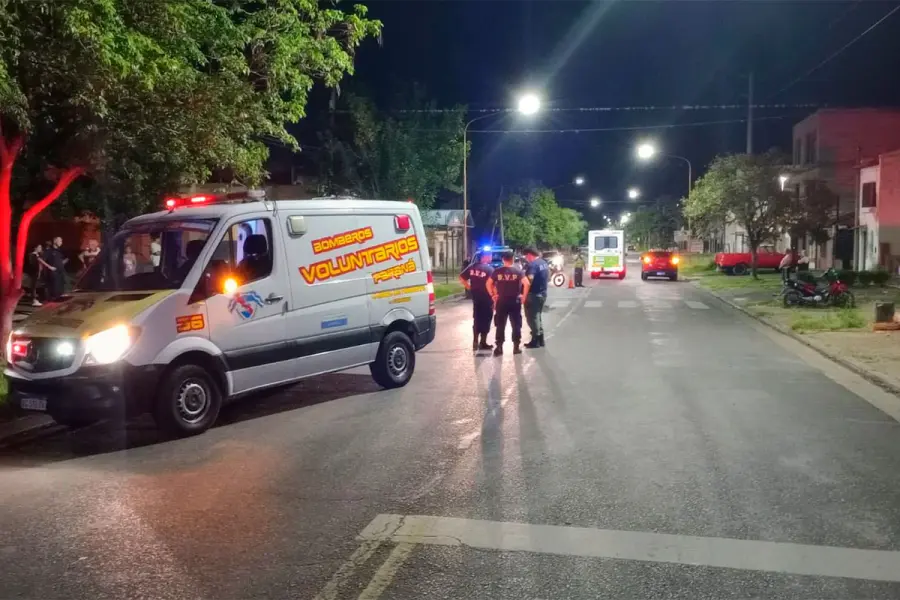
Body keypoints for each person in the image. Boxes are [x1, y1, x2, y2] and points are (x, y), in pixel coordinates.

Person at [486, 250, 529, 356]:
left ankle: (499, 347)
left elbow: (488, 283)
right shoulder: (518, 271)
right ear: (513, 259)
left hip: (501, 301)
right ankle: (516, 347)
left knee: (500, 325)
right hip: (515, 301)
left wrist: (493, 295)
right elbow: (526, 283)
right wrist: (524, 296)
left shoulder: (497, 271)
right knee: (516, 324)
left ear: (502, 259)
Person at [459, 252, 494, 351]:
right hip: (487, 298)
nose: (491, 257)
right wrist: (495, 296)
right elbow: (493, 284)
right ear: (485, 257)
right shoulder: (489, 269)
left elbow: (461, 277)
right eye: (490, 256)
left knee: (477, 318)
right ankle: (483, 342)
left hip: (476, 297)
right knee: (486, 319)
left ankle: (475, 341)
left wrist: (470, 288)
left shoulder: (472, 267)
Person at [522, 247, 549, 348]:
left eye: (526, 256)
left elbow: (528, 282)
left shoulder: (533, 265)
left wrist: (524, 295)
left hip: (534, 295)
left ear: (529, 255)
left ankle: (535, 340)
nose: (526, 258)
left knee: (532, 318)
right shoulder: (543, 263)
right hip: (543, 293)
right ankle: (541, 339)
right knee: (538, 317)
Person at [42, 236, 67, 301]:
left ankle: (59, 300)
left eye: (61, 241)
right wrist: (49, 267)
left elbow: (61, 260)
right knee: (54, 288)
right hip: (54, 273)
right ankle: (52, 300)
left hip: (61, 272)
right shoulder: (49, 251)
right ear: (55, 241)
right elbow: (42, 260)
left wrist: (62, 264)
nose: (61, 242)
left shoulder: (60, 251)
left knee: (61, 288)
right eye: (60, 241)